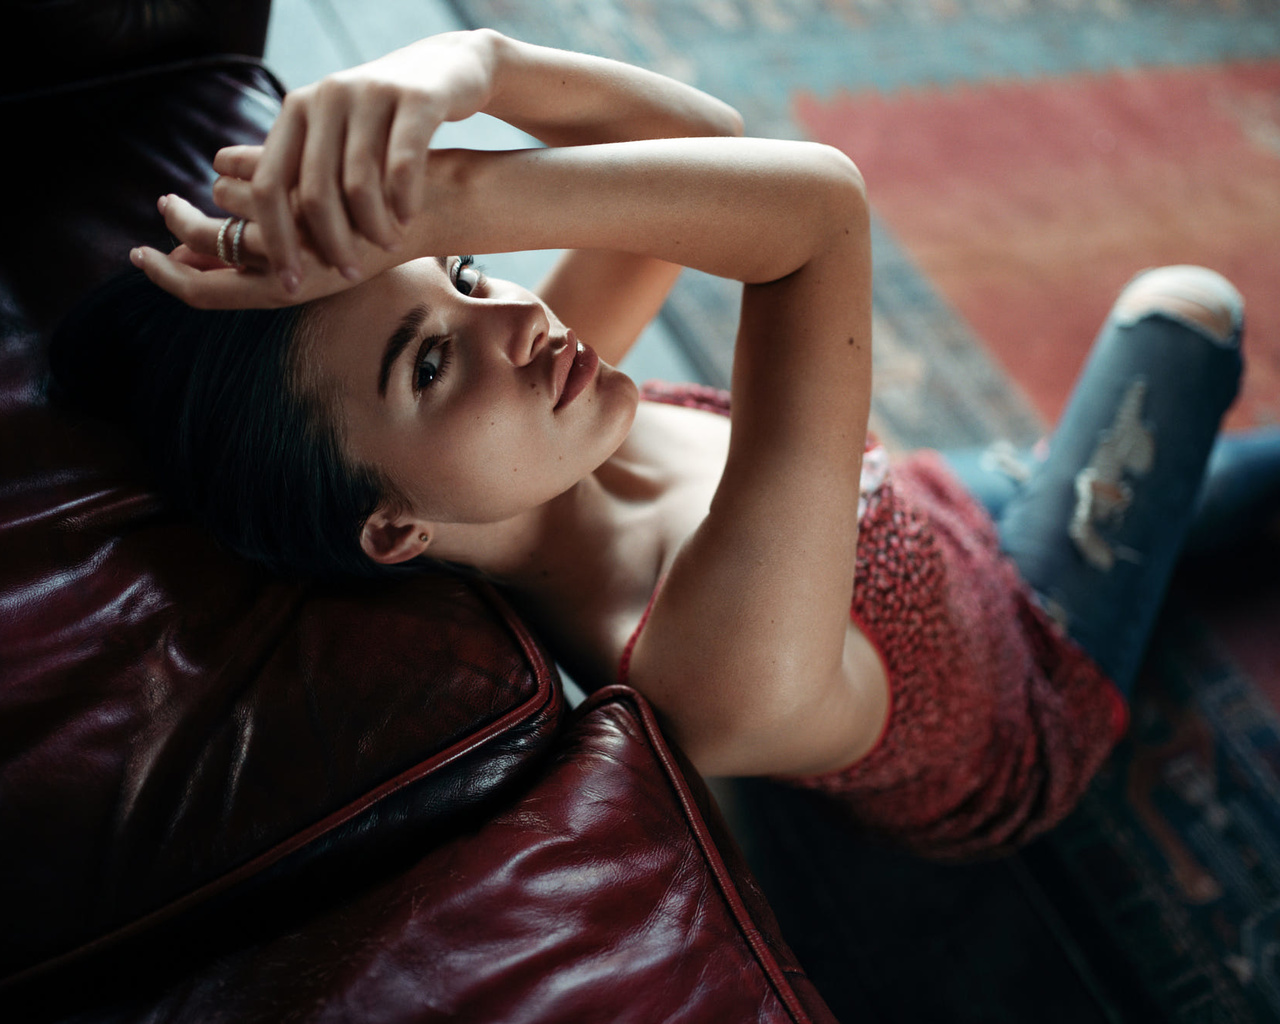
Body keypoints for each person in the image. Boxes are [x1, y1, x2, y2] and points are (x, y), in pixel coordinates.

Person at [50, 28, 1278, 859]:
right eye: (426, 357)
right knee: (1183, 308)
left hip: (943, 505)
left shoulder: (534, 422)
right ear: (391, 526)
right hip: (1028, 677)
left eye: (465, 276)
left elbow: (712, 142)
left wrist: (465, 62)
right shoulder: (698, 658)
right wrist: (451, 194)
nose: (512, 318)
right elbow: (809, 211)